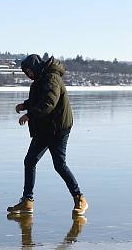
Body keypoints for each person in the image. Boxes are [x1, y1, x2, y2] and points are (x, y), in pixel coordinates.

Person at [8, 54, 88, 216]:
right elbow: (40, 98)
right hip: (45, 128)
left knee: (59, 164)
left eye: (29, 71)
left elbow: (48, 102)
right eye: (26, 72)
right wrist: (25, 105)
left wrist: (29, 115)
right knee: (30, 161)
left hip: (58, 128)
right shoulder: (42, 78)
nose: (28, 75)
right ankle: (27, 201)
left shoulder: (52, 78)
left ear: (35, 67)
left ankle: (80, 198)